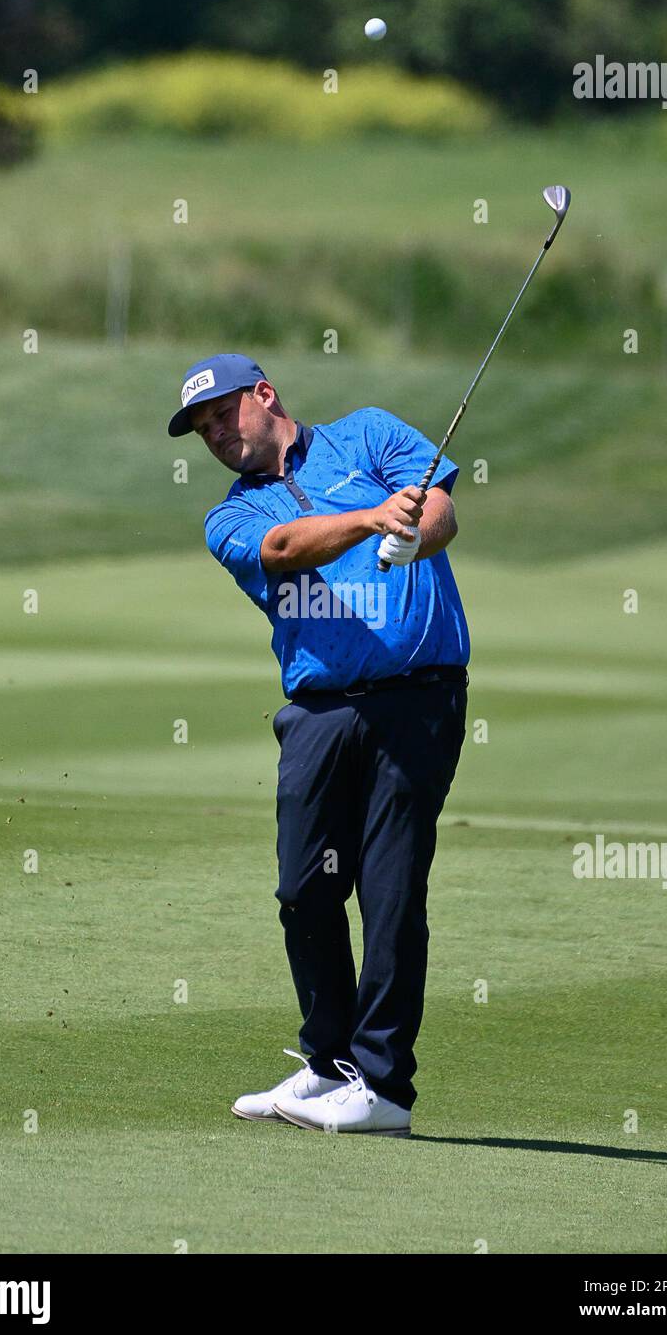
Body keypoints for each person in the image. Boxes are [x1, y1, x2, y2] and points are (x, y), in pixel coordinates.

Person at [169, 353, 469, 1136]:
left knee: (390, 890)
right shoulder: (229, 518)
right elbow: (285, 550)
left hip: (417, 702)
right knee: (303, 889)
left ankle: (383, 1089)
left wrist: (418, 536)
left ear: (264, 396)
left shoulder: (368, 436)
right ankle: (328, 1066)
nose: (215, 435)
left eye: (222, 415)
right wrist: (374, 521)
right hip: (318, 714)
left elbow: (439, 507)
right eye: (202, 431)